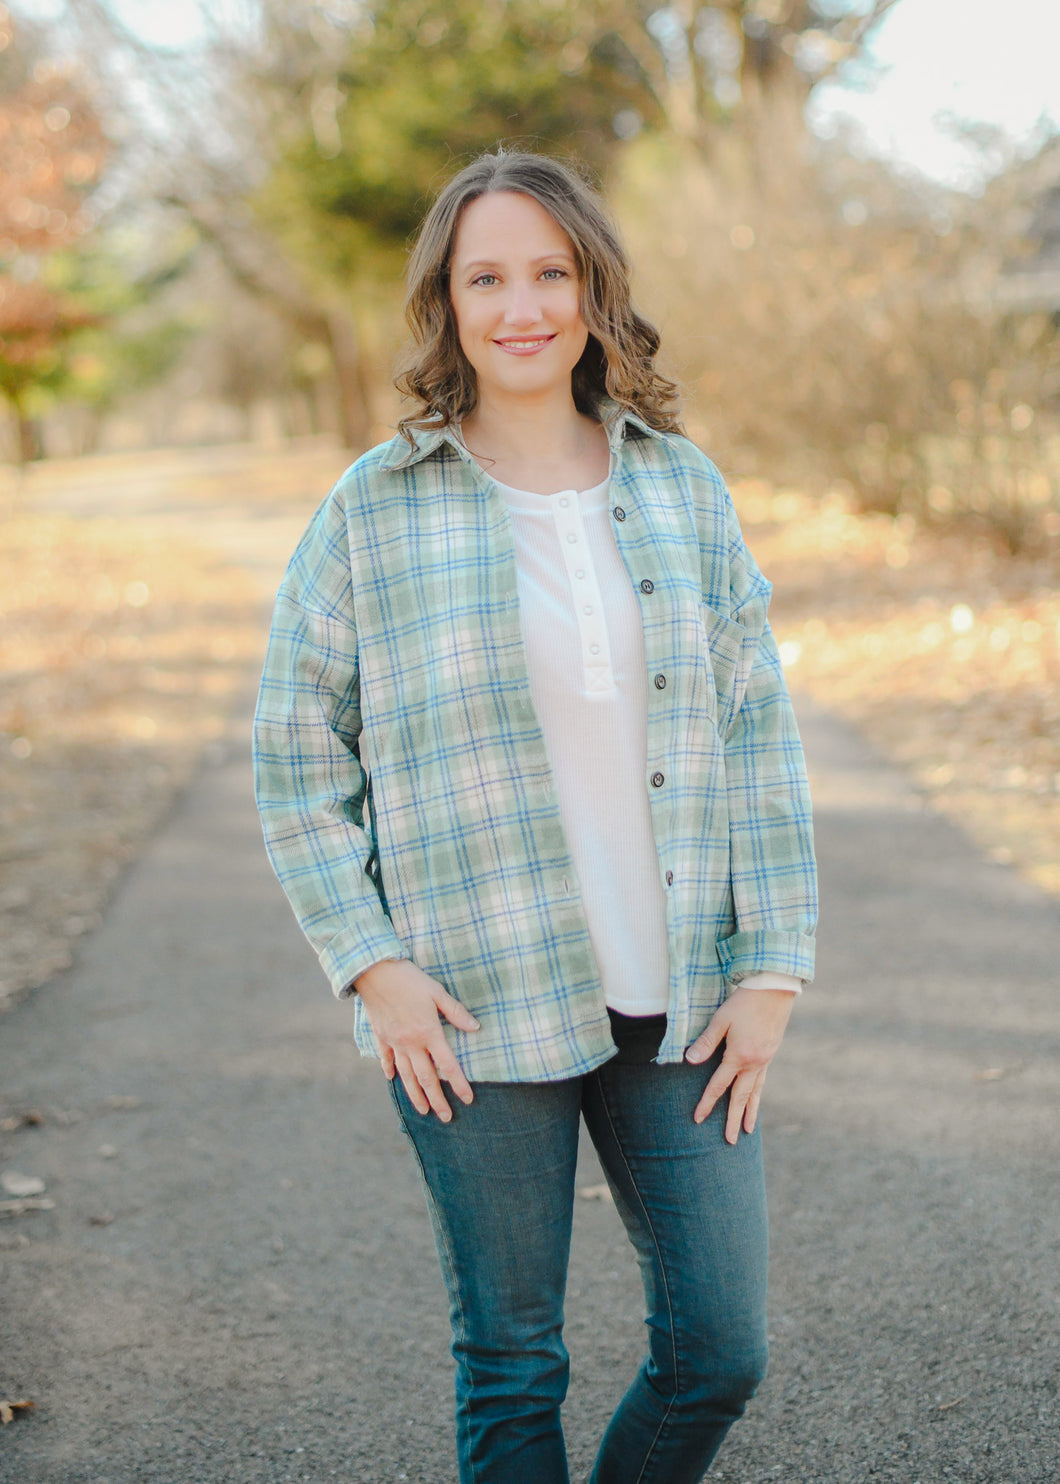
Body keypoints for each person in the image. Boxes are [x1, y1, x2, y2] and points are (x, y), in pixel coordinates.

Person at [253, 148, 817, 1484]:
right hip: (471, 1005)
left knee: (720, 1346)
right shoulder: (373, 508)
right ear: (446, 304)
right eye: (485, 276)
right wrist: (373, 967)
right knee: (513, 1364)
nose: (521, 305)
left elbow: (759, 732)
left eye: (549, 271)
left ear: (591, 291)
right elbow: (293, 759)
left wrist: (776, 963)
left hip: (679, 998)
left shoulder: (680, 485)